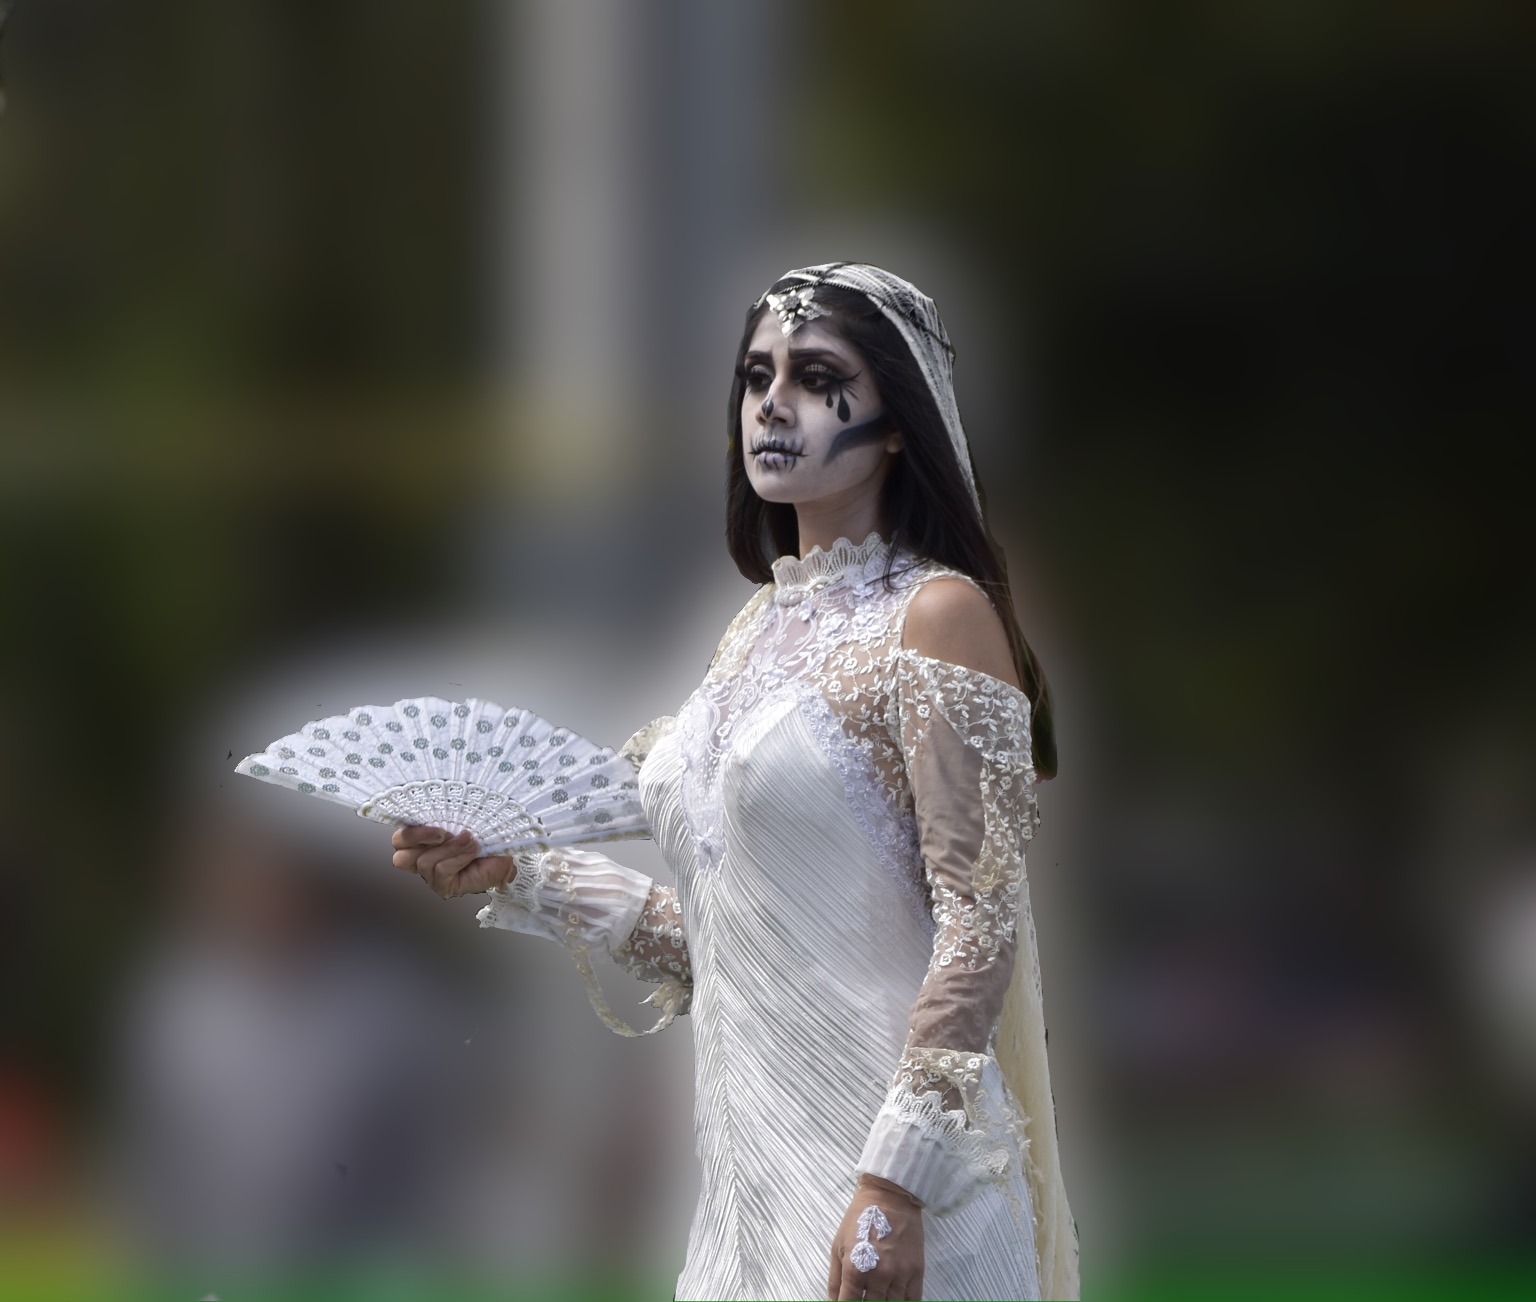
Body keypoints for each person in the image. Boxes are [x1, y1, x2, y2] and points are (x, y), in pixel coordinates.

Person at [393, 263, 1080, 1301]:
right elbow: (727, 937)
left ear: (899, 423)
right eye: (756, 376)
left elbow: (979, 929)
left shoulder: (937, 621)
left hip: (898, 1207)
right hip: (747, 1207)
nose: (773, 403)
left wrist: (896, 1182)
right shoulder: (751, 633)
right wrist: (514, 873)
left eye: (815, 376)